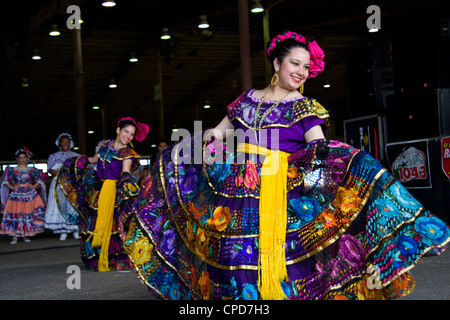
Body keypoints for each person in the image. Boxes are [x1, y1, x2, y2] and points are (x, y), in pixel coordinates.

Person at [124, 31, 450, 300]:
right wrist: (201, 142)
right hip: (236, 190)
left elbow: (319, 149)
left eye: (306, 67)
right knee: (233, 258)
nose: (301, 71)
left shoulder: (304, 107)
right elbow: (219, 132)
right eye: (295, 63)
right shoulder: (247, 100)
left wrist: (351, 165)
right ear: (277, 63)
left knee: (285, 261)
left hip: (280, 190)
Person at [57, 117, 149, 271]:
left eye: (132, 134)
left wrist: (127, 184)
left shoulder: (127, 152)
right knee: (93, 223)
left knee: (113, 224)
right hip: (98, 190)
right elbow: (94, 160)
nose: (128, 136)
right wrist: (77, 161)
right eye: (126, 131)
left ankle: (115, 259)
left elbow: (125, 172)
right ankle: (97, 257)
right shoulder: (104, 146)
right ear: (118, 130)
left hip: (113, 191)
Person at [1, 147, 46, 244]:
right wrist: (12, 187)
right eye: (20, 157)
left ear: (27, 158)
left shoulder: (32, 170)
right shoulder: (12, 170)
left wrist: (33, 186)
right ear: (17, 159)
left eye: (24, 157)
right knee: (16, 213)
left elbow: (40, 179)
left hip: (29, 194)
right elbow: (4, 179)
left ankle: (26, 233)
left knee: (27, 213)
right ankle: (14, 236)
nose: (22, 159)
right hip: (17, 194)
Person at [44, 133, 80, 240]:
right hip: (59, 182)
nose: (65, 144)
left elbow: (79, 170)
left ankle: (75, 229)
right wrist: (62, 175)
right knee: (60, 205)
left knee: (73, 205)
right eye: (63, 142)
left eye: (67, 142)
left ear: (70, 144)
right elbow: (50, 170)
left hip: (72, 183)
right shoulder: (53, 156)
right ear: (59, 144)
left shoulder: (76, 155)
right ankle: (63, 231)